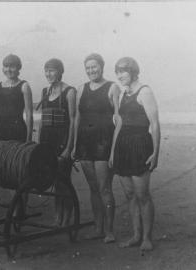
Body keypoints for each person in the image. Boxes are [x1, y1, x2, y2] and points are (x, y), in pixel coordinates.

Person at [109, 57, 160, 251]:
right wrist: (113, 152)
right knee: (129, 194)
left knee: (142, 195)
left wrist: (156, 153)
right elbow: (119, 125)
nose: (120, 75)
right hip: (122, 146)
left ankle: (147, 238)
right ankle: (136, 235)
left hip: (140, 146)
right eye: (117, 72)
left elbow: (154, 124)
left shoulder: (144, 91)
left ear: (133, 71)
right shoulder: (122, 94)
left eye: (123, 71)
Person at [71, 53, 121, 243]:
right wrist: (75, 144)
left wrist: (115, 149)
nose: (92, 70)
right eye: (88, 68)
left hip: (104, 143)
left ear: (102, 66)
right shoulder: (81, 88)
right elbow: (77, 119)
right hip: (85, 143)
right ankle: (98, 228)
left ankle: (109, 231)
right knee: (93, 189)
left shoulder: (112, 87)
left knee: (104, 188)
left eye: (95, 67)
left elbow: (119, 120)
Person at [38, 58, 76, 227]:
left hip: (62, 142)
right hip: (47, 142)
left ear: (60, 71)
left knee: (64, 182)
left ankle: (67, 217)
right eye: (46, 70)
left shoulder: (69, 91)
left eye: (52, 70)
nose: (49, 74)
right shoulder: (45, 91)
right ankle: (57, 215)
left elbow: (74, 121)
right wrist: (39, 142)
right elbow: (42, 120)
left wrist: (69, 147)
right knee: (54, 180)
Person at [0, 54, 33, 142]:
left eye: (12, 67)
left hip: (18, 129)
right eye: (6, 66)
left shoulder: (24, 86)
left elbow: (29, 114)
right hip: (1, 129)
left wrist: (29, 139)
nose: (8, 70)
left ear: (18, 68)